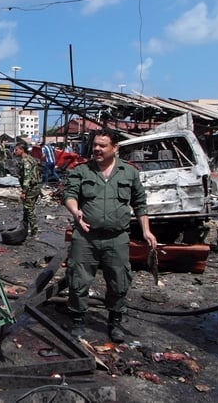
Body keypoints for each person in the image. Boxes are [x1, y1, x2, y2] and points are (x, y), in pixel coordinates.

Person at [63, 129, 157, 342]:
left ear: (115, 148)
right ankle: (77, 322)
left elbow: (140, 203)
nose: (97, 149)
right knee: (78, 280)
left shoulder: (129, 173)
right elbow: (69, 195)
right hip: (86, 236)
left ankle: (114, 323)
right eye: (95, 145)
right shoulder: (82, 171)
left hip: (117, 238)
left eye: (102, 145)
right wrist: (75, 210)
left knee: (119, 281)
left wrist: (146, 230)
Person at [14, 141, 43, 238]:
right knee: (28, 209)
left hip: (31, 188)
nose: (15, 151)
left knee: (29, 209)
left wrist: (24, 192)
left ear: (22, 150)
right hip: (35, 187)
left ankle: (34, 231)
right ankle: (25, 228)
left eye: (16, 149)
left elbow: (27, 177)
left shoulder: (26, 161)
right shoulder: (31, 159)